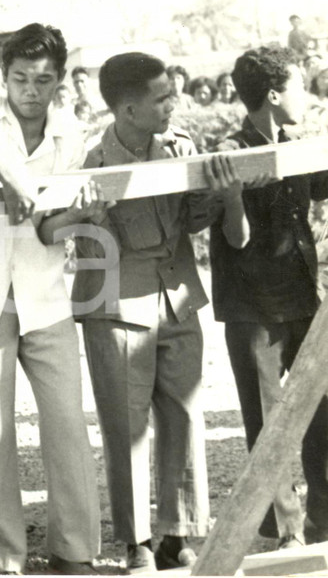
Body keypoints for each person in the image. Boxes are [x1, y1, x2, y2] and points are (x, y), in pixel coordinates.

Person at [64, 52, 242, 573]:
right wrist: (89, 215)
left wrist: (213, 190)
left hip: (179, 299)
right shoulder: (92, 166)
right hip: (117, 307)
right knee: (126, 426)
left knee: (185, 417)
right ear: (127, 109)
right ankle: (137, 540)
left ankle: (176, 532)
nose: (174, 104)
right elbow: (76, 237)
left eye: (173, 93)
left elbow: (192, 222)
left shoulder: (181, 148)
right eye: (162, 97)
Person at [0, 23, 101, 575]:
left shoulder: (70, 134)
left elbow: (51, 227)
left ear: (59, 83)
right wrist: (11, 175)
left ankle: (74, 551)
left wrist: (84, 215)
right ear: (4, 76)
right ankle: (5, 557)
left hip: (44, 292)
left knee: (68, 426)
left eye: (44, 79)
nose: (31, 89)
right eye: (21, 78)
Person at [209, 45, 328, 549]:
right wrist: (234, 195)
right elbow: (235, 239)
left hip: (305, 294)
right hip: (252, 307)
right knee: (266, 421)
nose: (307, 96)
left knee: (324, 409)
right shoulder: (228, 151)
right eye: (301, 86)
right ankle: (285, 529)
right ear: (274, 95)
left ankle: (326, 520)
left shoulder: (301, 142)